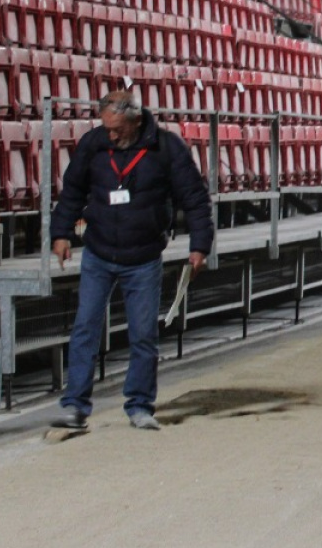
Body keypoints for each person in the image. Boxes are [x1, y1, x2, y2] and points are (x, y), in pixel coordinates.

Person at [50, 90, 214, 431]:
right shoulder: (94, 144)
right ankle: (75, 406)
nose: (111, 135)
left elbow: (195, 199)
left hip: (143, 257)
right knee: (85, 329)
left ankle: (139, 405)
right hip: (98, 252)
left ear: (136, 120)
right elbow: (72, 191)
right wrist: (61, 233)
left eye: (117, 129)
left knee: (143, 335)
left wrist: (200, 245)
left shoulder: (167, 148)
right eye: (107, 128)